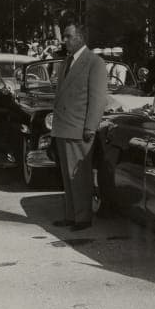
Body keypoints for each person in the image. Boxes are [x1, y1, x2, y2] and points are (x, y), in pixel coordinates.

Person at [51, 21, 107, 232]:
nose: (64, 40)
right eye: (64, 36)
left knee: (80, 176)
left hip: (79, 129)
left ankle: (83, 218)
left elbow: (98, 99)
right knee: (67, 177)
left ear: (80, 38)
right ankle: (71, 215)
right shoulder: (67, 62)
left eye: (67, 36)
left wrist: (90, 127)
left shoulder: (94, 62)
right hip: (63, 127)